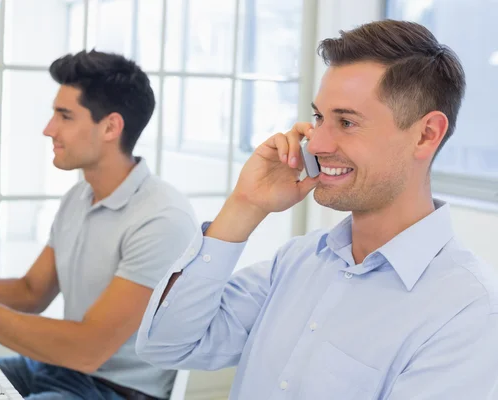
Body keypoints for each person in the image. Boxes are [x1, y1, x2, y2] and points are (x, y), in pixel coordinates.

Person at [135, 20, 498, 399]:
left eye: (346, 122)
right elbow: (166, 345)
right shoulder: (299, 260)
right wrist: (246, 205)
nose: (317, 143)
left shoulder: (466, 310)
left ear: (426, 135)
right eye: (320, 118)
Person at [0, 50, 198, 400]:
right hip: (55, 369)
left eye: (64, 116)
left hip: (114, 389)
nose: (49, 130)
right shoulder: (79, 196)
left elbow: (88, 350)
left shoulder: (162, 220)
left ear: (111, 126)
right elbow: (31, 292)